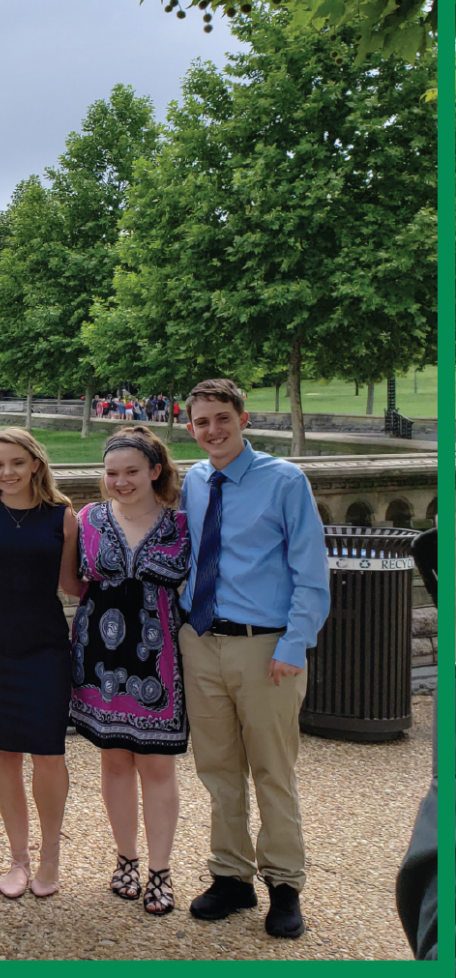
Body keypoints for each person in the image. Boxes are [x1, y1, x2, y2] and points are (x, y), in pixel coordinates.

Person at [178, 378, 329, 939]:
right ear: (190, 427)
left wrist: (294, 645)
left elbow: (310, 572)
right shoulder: (194, 480)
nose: (212, 430)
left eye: (222, 417)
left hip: (266, 647)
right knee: (217, 770)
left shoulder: (285, 481)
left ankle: (285, 884)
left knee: (273, 769)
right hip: (201, 644)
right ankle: (231, 876)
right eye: (201, 422)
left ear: (244, 418)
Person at [69, 427, 191, 915]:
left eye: (132, 472)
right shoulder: (88, 518)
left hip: (160, 658)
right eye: (112, 473)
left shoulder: (181, 523)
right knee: (114, 760)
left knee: (158, 765)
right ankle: (126, 858)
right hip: (100, 653)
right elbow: (73, 581)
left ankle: (161, 870)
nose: (120, 482)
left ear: (155, 471)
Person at [0, 428, 82, 900]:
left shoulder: (64, 516)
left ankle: (50, 857)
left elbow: (74, 585)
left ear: (35, 462)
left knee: (49, 753)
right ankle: (18, 858)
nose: (7, 473)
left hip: (45, 646)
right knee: (5, 752)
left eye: (16, 462)